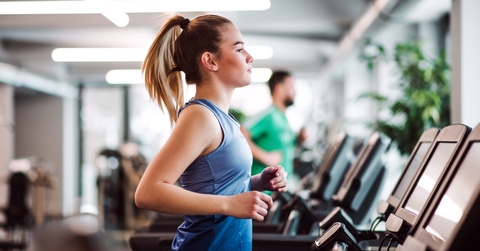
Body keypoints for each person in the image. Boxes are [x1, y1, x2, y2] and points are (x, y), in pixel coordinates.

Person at [134, 13, 288, 251]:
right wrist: (228, 204)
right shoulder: (201, 116)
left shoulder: (224, 118)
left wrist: (257, 182)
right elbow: (148, 192)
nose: (250, 57)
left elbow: (216, 186)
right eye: (239, 50)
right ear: (210, 61)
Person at [241, 71, 306, 189]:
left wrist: (299, 139)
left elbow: (285, 147)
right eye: (291, 87)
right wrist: (265, 156)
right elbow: (241, 132)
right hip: (264, 191)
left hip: (280, 188)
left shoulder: (283, 118)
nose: (295, 92)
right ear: (279, 88)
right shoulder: (269, 115)